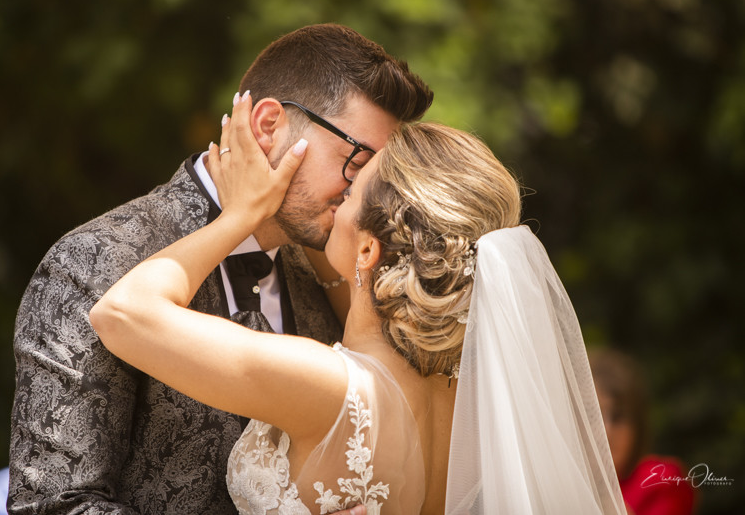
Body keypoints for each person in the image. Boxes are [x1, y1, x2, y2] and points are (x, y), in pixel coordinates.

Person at [90, 98, 629, 514]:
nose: (336, 202)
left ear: (370, 250)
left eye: (350, 195)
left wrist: (241, 215)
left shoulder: (329, 386)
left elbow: (122, 313)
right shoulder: (469, 402)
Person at [8, 24, 433, 515]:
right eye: (356, 162)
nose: (363, 193)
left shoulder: (334, 279)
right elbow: (55, 506)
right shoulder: (92, 261)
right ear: (268, 126)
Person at [589, 349, 697, 515]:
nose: (606, 431)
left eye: (618, 417)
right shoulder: (559, 480)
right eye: (592, 416)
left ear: (637, 424)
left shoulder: (661, 479)